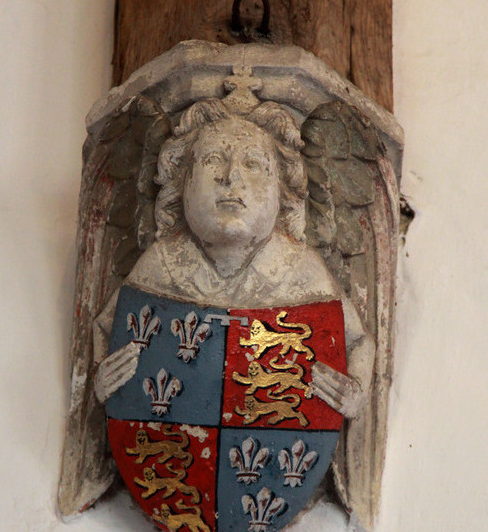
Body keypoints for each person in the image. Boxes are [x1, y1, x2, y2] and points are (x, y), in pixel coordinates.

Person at [93, 97, 375, 419]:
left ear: (282, 192)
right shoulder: (162, 263)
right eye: (214, 159)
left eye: (252, 163)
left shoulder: (301, 269)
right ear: (181, 185)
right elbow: (105, 326)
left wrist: (356, 390)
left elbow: (359, 339)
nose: (231, 177)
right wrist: (101, 377)